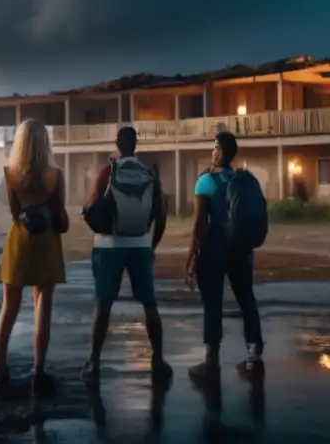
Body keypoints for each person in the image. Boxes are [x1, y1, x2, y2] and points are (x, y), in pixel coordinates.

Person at [82, 126, 171, 382]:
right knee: (149, 305)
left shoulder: (108, 171)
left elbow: (90, 205)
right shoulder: (150, 174)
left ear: (117, 145)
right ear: (136, 145)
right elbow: (161, 217)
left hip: (109, 245)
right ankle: (158, 359)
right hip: (140, 245)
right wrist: (150, 246)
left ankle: (94, 361)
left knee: (104, 305)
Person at [0, 118, 69, 395]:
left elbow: (14, 212)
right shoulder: (54, 175)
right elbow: (61, 214)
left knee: (9, 307)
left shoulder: (9, 173)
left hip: (19, 240)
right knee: (43, 307)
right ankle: (38, 371)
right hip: (46, 241)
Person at [185, 130, 264, 382]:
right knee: (246, 299)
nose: (213, 151)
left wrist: (192, 255)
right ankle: (254, 355)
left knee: (212, 303)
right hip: (240, 247)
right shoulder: (242, 180)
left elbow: (199, 223)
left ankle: (211, 362)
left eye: (216, 147)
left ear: (222, 151)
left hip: (214, 246)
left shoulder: (205, 181)